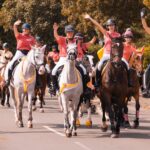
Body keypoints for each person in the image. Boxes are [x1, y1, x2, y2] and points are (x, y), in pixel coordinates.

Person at [51, 23, 95, 94]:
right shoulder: (63, 39)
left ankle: (85, 88)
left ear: (73, 32)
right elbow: (56, 36)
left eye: (71, 32)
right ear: (66, 33)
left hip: (73, 59)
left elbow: (79, 51)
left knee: (84, 70)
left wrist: (79, 58)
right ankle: (55, 88)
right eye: (68, 32)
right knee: (53, 71)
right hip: (63, 59)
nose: (70, 33)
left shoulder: (76, 41)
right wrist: (55, 30)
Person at [84, 14, 121, 87]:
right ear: (107, 27)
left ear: (114, 26)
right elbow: (98, 25)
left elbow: (121, 45)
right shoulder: (106, 33)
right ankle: (97, 83)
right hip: (106, 55)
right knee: (99, 66)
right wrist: (90, 18)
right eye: (109, 25)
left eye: (112, 25)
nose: (111, 27)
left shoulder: (118, 35)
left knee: (122, 66)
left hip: (115, 55)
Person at [5, 20, 35, 86]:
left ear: (29, 30)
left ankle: (37, 82)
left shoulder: (32, 38)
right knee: (10, 64)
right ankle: (8, 80)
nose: (24, 30)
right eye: (23, 29)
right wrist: (15, 25)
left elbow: (34, 47)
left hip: (28, 54)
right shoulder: (19, 35)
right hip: (20, 52)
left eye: (26, 29)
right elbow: (15, 30)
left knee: (36, 66)